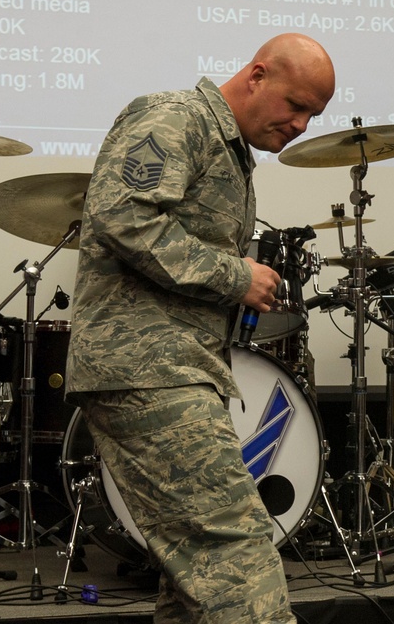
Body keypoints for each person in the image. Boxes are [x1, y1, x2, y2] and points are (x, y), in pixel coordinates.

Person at [65, 33, 335, 623]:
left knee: (195, 579)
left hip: (175, 365)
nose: (301, 124)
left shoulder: (231, 150)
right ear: (257, 75)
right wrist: (236, 276)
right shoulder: (175, 116)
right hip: (146, 367)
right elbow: (121, 215)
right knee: (236, 553)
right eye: (295, 105)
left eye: (313, 115)